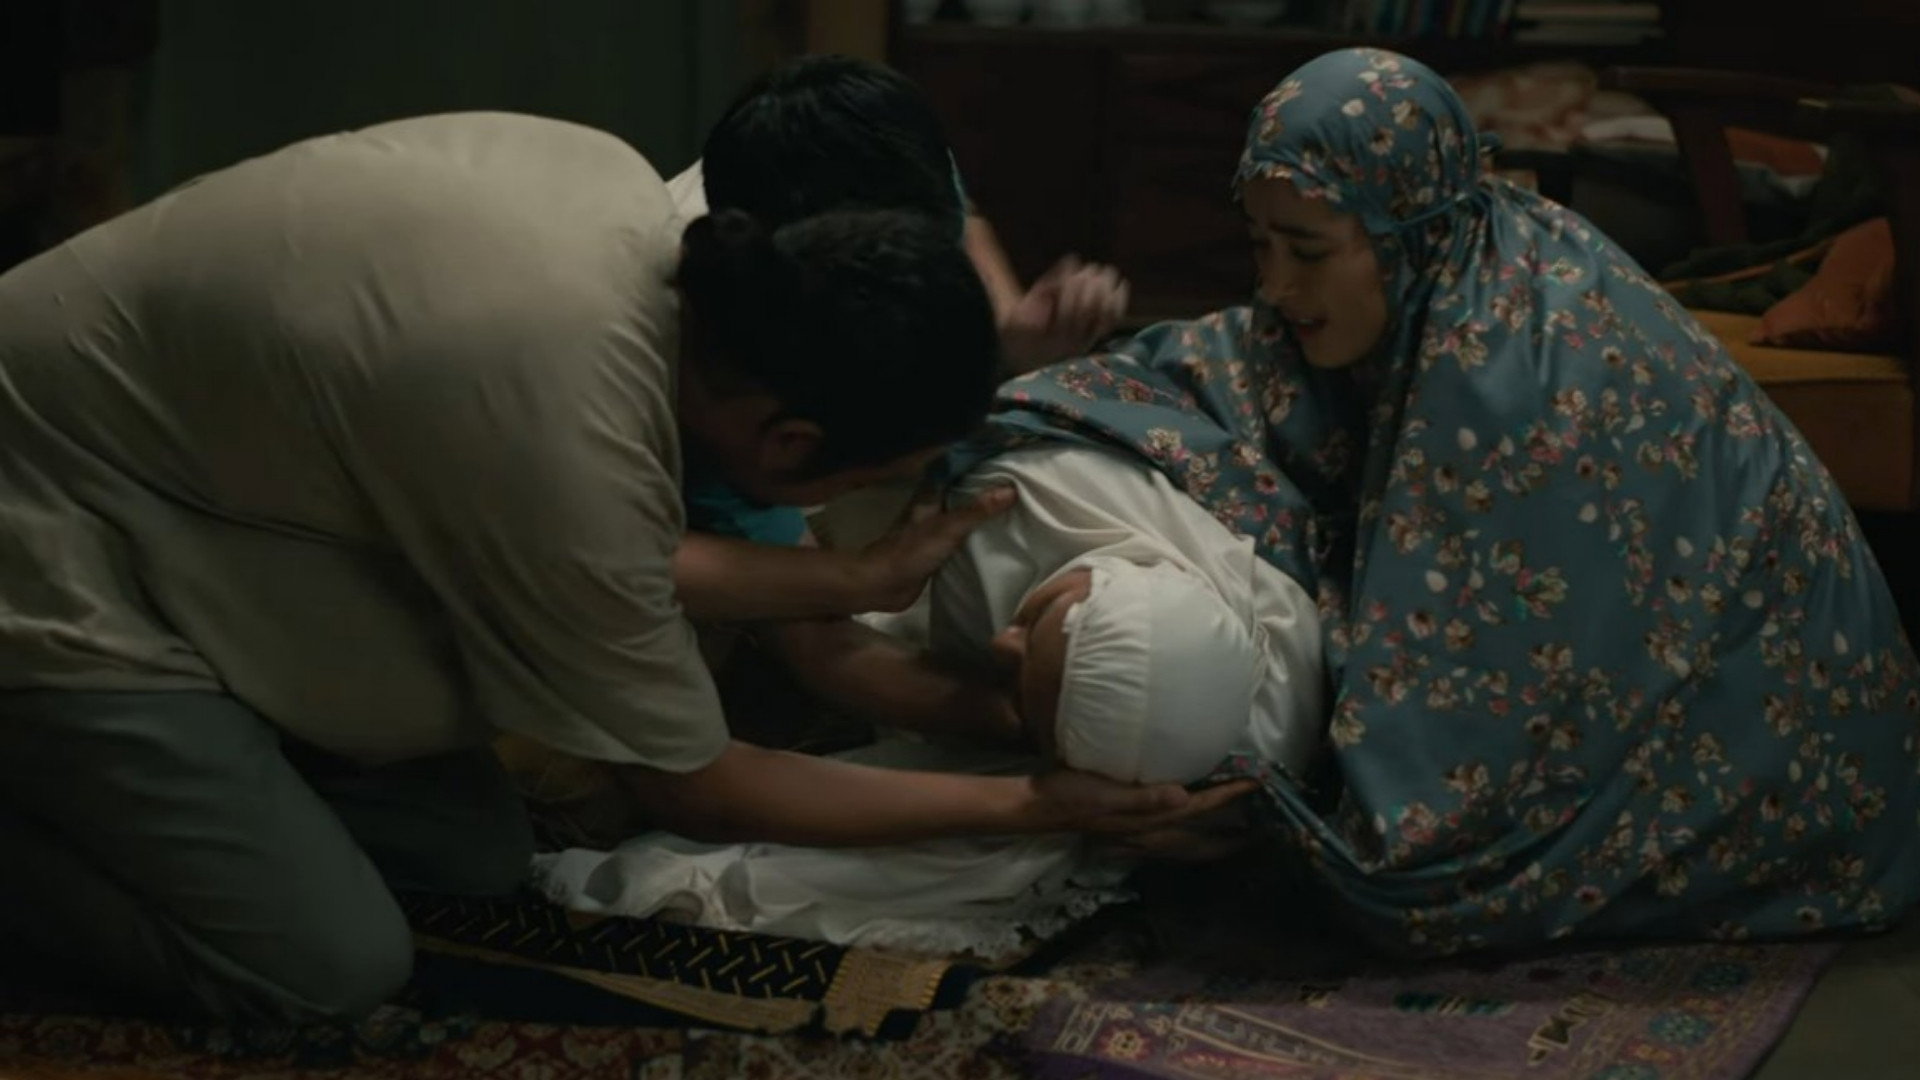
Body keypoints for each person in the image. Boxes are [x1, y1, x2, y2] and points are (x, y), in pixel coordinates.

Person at [0, 111, 1223, 1025]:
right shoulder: (569, 443)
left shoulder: (628, 202)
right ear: (788, 443)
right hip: (50, 523)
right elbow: (699, 784)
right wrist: (1029, 804)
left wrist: (854, 582)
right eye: (881, 476)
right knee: (329, 967)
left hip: (190, 470)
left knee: (471, 862)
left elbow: (642, 566)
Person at [952, 47, 1920, 956]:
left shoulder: (1510, 375)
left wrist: (1269, 810)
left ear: (1406, 230)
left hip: (1781, 765)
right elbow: (1211, 368)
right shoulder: (1425, 259)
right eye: (1259, 244)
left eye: (1305, 251)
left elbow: (1454, 760)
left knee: (1388, 889)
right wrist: (1033, 383)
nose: (1275, 285)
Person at [538, 442, 1323, 954]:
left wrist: (1052, 767)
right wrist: (1035, 802)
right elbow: (700, 782)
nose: (1001, 642)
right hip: (574, 592)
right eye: (1033, 627)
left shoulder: (1261, 686)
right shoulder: (1017, 499)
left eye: (1023, 684)